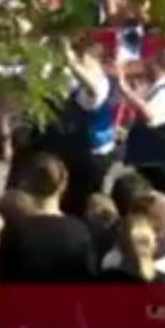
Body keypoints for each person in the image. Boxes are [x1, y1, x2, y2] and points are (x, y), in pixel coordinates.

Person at [0, 153, 96, 328]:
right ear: (63, 185)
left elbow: (4, 288)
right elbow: (89, 290)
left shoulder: (17, 230)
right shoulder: (79, 232)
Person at [117, 49, 165, 203]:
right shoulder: (157, 87)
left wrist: (126, 90)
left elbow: (150, 117)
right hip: (147, 159)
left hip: (159, 163)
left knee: (152, 201)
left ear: (159, 67)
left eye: (151, 64)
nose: (147, 67)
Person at [59, 36, 118, 216]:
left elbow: (92, 88)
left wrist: (71, 63)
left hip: (91, 153)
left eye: (84, 58)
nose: (81, 62)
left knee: (82, 199)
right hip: (89, 148)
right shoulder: (90, 83)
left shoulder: (99, 85)